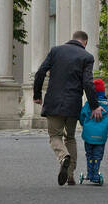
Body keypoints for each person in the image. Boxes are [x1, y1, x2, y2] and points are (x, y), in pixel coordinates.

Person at [33, 30, 103, 186]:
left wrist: (37, 94)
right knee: (70, 137)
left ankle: (63, 156)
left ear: (73, 39)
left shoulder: (56, 51)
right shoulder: (86, 57)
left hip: (53, 103)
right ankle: (70, 175)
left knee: (54, 136)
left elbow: (40, 73)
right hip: (73, 104)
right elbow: (88, 83)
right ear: (85, 42)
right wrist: (94, 106)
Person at [78, 77, 108, 185]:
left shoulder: (88, 105)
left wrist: (85, 124)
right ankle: (95, 175)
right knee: (97, 155)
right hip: (101, 136)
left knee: (89, 154)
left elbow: (82, 117)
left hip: (88, 135)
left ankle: (89, 173)